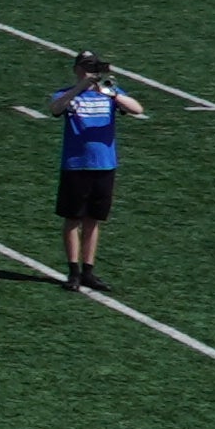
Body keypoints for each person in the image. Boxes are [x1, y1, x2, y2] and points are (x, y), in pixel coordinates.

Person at [51, 53, 127, 288]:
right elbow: (55, 108)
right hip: (76, 164)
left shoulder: (110, 93)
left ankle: (88, 271)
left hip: (104, 164)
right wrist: (81, 87)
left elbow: (136, 108)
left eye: (92, 68)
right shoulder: (67, 93)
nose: (89, 73)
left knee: (93, 220)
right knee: (73, 218)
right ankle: (73, 270)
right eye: (85, 68)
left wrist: (112, 92)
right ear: (76, 69)